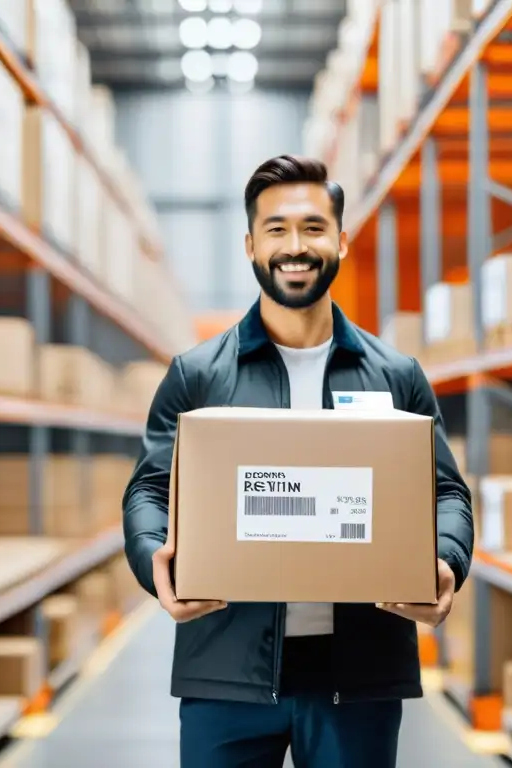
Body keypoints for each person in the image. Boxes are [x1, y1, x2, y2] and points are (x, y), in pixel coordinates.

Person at [122, 154, 473, 768]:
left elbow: (447, 492)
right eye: (277, 229)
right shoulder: (198, 375)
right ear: (251, 243)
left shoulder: (396, 376)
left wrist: (446, 561)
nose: (295, 246)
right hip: (227, 667)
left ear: (340, 239)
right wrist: (154, 561)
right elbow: (149, 489)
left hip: (358, 675)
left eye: (313, 228)